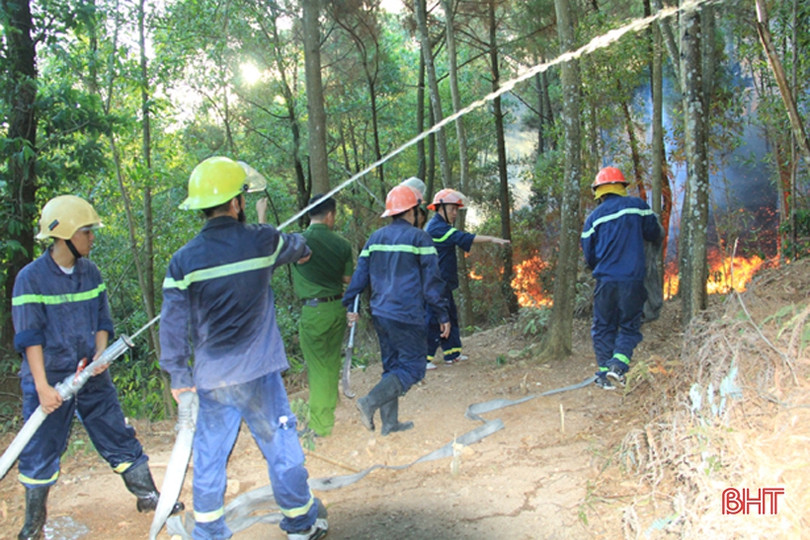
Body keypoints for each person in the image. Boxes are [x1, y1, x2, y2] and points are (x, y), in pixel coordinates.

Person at [159, 156, 327, 540]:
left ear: (200, 206)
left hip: (213, 379)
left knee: (210, 458)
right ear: (237, 202)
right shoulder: (263, 240)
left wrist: (179, 375)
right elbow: (301, 249)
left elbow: (172, 324)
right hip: (260, 375)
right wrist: (293, 244)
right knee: (281, 448)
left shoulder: (183, 261)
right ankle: (301, 524)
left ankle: (209, 532)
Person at [11, 195, 183, 540]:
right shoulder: (30, 279)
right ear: (66, 235)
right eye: (87, 231)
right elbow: (30, 338)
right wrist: (44, 389)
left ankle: (148, 496)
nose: (92, 238)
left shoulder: (91, 273)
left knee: (116, 432)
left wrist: (101, 356)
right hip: (50, 380)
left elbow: (103, 320)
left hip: (90, 373)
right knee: (42, 449)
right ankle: (33, 526)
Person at [342, 184, 450, 435]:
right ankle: (369, 402)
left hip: (381, 313)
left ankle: (389, 424)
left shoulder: (375, 239)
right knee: (413, 368)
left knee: (392, 367)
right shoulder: (420, 238)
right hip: (407, 314)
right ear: (412, 211)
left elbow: (359, 276)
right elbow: (432, 283)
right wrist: (443, 314)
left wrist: (350, 303)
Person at [580, 166, 662, 390]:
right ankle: (618, 365)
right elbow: (654, 232)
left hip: (605, 281)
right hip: (633, 280)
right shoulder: (638, 207)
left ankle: (606, 374)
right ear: (622, 187)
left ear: (599, 191)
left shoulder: (593, 219)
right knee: (629, 326)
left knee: (603, 326)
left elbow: (589, 255)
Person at [288, 194, 353, 438]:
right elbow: (347, 279)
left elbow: (270, 251)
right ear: (330, 215)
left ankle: (320, 424)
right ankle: (329, 405)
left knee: (317, 367)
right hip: (337, 308)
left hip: (313, 311)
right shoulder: (342, 245)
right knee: (331, 361)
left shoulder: (297, 241)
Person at [425, 188, 510, 368]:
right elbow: (464, 238)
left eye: (457, 209)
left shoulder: (442, 226)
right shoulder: (436, 228)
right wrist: (492, 239)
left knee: (450, 316)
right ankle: (424, 358)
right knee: (434, 319)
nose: (455, 213)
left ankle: (452, 353)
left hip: (443, 282)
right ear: (440, 208)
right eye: (452, 209)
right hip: (435, 283)